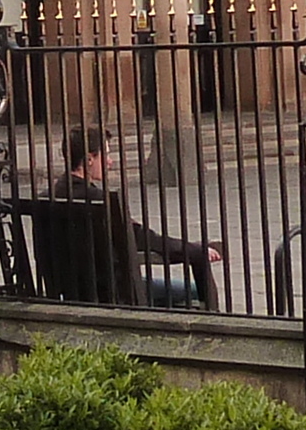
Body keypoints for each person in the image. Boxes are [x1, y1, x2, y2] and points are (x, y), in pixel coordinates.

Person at [59, 125, 216, 310]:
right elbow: (145, 239)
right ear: (89, 159)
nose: (110, 162)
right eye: (106, 155)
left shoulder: (49, 196)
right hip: (115, 293)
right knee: (195, 290)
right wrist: (193, 249)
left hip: (70, 292)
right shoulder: (102, 203)